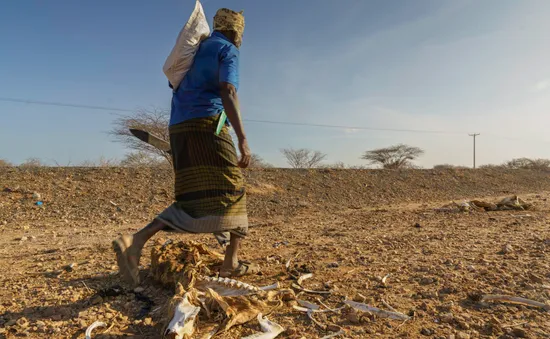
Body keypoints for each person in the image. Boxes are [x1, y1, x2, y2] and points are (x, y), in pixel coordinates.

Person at [113, 8, 258, 286]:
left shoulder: (195, 51)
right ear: (236, 31)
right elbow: (228, 90)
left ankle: (136, 241)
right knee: (234, 189)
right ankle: (231, 263)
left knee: (191, 196)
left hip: (179, 128)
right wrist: (242, 139)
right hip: (208, 126)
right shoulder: (226, 49)